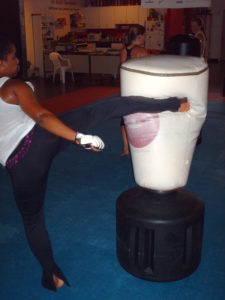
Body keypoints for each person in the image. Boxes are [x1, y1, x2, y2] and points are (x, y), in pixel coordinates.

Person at [0, 36, 190, 292]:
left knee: (33, 221)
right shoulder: (12, 85)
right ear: (2, 64)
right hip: (40, 139)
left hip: (19, 166)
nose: (18, 61)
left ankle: (51, 276)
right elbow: (43, 117)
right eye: (13, 57)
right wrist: (79, 138)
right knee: (112, 105)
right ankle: (174, 103)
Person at [120, 25, 149, 156]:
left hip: (126, 88)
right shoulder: (142, 51)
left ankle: (126, 147)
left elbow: (123, 70)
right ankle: (141, 147)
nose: (145, 38)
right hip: (139, 89)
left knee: (124, 119)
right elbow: (149, 71)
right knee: (141, 118)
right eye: (144, 35)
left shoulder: (124, 50)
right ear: (139, 36)